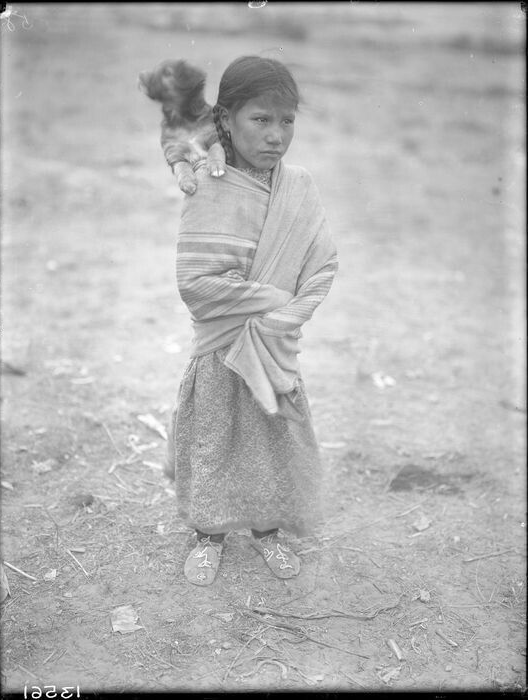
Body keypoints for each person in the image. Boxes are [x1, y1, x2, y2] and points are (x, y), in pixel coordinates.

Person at [165, 55, 338, 586]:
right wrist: (274, 297)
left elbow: (322, 263)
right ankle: (208, 536)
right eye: (260, 120)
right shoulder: (208, 185)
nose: (276, 135)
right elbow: (195, 281)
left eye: (286, 121)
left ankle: (267, 533)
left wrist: (283, 312)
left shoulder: (299, 186)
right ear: (227, 118)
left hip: (274, 344)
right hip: (222, 350)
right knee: (215, 439)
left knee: (271, 441)